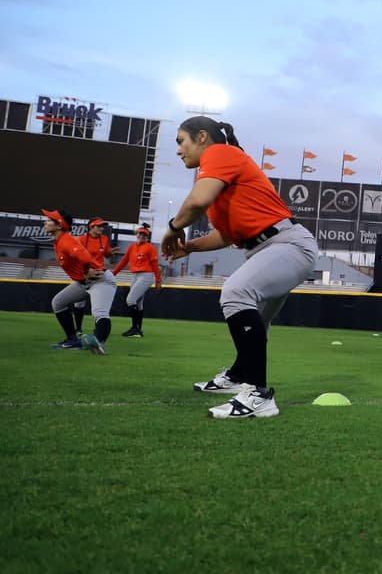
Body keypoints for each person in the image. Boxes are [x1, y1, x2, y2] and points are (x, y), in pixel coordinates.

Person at [160, 115, 318, 420]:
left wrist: (172, 227)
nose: (179, 150)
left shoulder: (220, 153)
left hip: (287, 244)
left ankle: (258, 394)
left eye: (181, 141)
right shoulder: (221, 176)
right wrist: (189, 246)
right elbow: (226, 235)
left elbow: (197, 201)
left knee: (235, 292)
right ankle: (236, 376)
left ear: (202, 137)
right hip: (269, 247)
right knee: (257, 320)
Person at [43, 209, 117, 355]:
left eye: (49, 220)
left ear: (59, 226)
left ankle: (100, 343)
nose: (45, 222)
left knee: (99, 312)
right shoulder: (59, 241)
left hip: (100, 280)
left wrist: (86, 270)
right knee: (58, 303)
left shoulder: (66, 241)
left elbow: (85, 258)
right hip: (84, 282)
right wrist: (84, 273)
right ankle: (72, 340)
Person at [112, 224, 162, 337]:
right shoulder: (131, 247)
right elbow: (124, 261)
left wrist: (158, 280)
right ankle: (138, 330)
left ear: (147, 236)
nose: (142, 235)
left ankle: (135, 328)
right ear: (136, 234)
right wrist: (113, 273)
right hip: (135, 275)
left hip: (146, 275)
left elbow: (155, 264)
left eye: (144, 234)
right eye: (140, 233)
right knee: (138, 304)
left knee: (130, 300)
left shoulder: (150, 247)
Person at [72, 216, 113, 333]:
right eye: (99, 226)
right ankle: (78, 329)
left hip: (99, 275)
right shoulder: (81, 240)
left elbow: (106, 254)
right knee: (79, 303)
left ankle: (97, 329)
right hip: (84, 274)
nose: (102, 228)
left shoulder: (104, 239)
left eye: (102, 226)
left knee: (98, 305)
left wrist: (110, 253)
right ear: (91, 227)